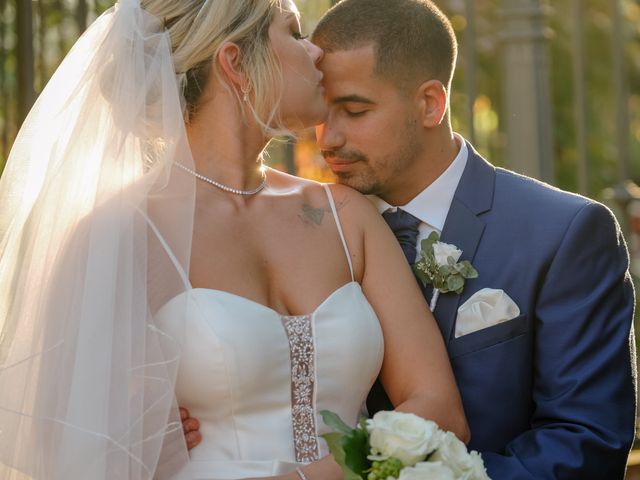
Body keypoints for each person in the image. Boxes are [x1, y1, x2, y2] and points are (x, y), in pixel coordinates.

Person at [0, 0, 469, 479]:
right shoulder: (120, 235)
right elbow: (63, 444)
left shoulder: (346, 216)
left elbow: (440, 408)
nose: (316, 53)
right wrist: (131, 437)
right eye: (293, 32)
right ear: (235, 64)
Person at [309, 0, 637, 478]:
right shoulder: (302, 231)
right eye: (321, 111)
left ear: (430, 104)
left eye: (355, 110)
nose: (327, 139)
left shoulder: (563, 233)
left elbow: (585, 439)